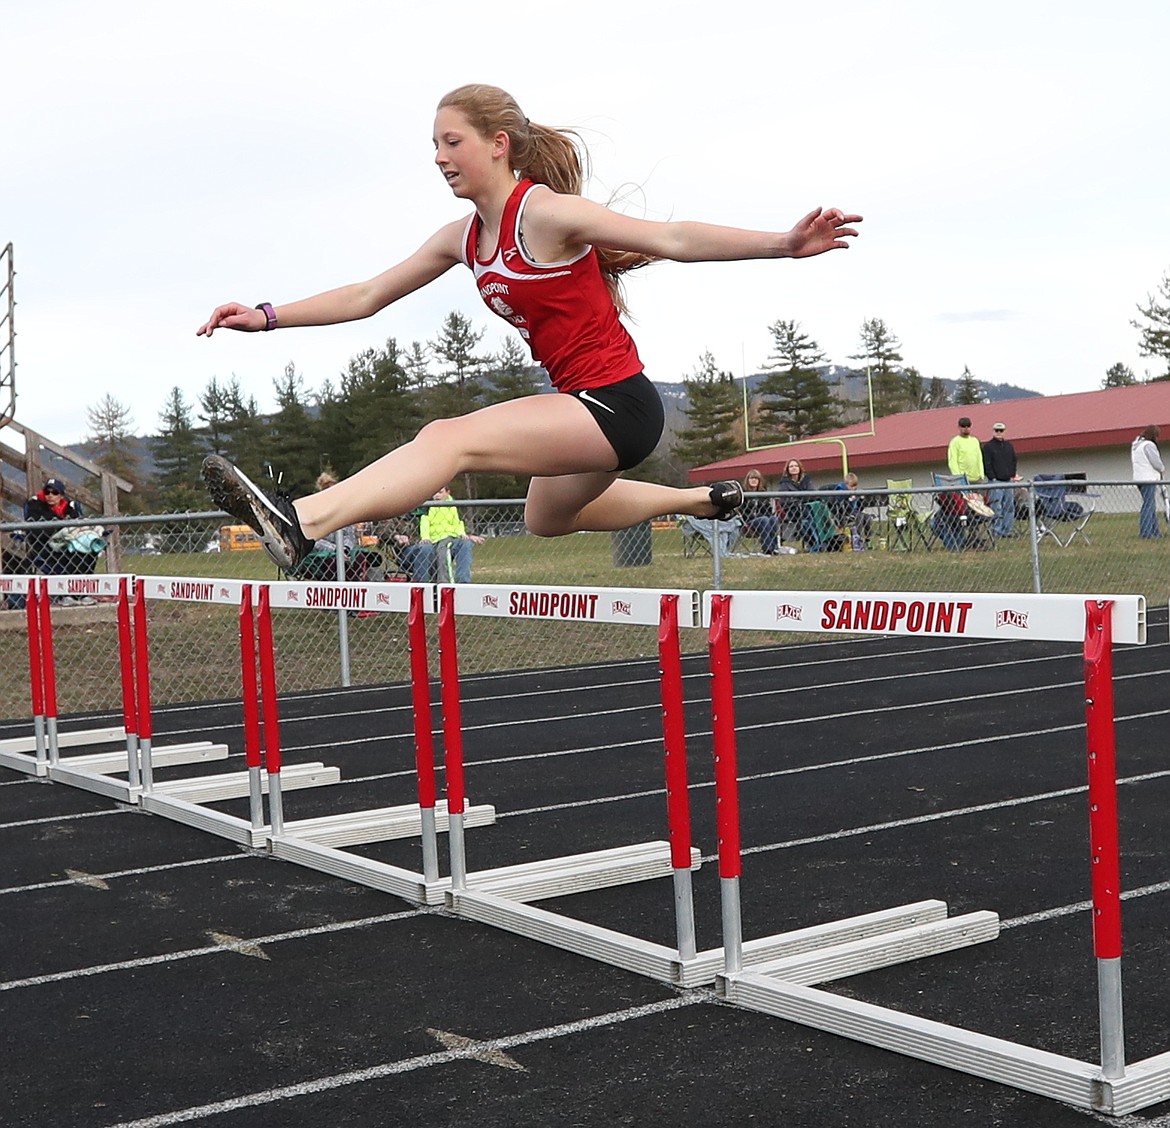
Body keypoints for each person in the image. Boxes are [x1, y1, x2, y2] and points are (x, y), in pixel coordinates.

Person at [195, 83, 862, 572]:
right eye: (433, 145)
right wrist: (267, 316)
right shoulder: (463, 238)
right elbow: (370, 294)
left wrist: (783, 243)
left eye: (451, 142)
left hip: (616, 403)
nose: (438, 157)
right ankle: (692, 502)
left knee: (447, 438)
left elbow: (673, 236)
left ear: (498, 144)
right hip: (589, 413)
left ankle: (304, 520)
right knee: (547, 520)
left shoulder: (543, 214)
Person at [418, 485, 485, 583]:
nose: (437, 496)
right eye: (434, 493)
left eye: (440, 492)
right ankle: (445, 583)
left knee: (466, 544)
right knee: (443, 551)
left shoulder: (453, 505)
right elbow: (424, 523)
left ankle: (463, 581)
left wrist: (462, 533)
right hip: (437, 539)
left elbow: (457, 522)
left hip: (453, 536)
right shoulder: (428, 507)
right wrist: (425, 537)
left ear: (447, 492)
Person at [981, 422, 1019, 538]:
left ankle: (1007, 531)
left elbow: (1013, 460)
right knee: (996, 507)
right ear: (993, 431)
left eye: (1001, 431)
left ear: (1004, 432)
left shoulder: (1009, 446)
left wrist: (1012, 474)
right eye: (996, 430)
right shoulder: (988, 447)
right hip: (995, 481)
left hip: (1008, 481)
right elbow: (987, 463)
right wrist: (992, 477)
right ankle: (996, 531)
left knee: (1009, 507)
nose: (999, 433)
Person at [1131, 424, 1164, 539]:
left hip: (1139, 478)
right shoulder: (1149, 445)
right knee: (1149, 505)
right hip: (1148, 478)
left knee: (1150, 504)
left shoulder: (1136, 446)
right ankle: (1146, 532)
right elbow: (1156, 462)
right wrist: (1162, 469)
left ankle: (1155, 531)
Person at [777, 458, 817, 549]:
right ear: (787, 469)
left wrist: (800, 499)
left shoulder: (806, 480)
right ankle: (814, 545)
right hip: (793, 511)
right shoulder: (784, 484)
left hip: (809, 508)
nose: (794, 468)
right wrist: (801, 500)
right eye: (791, 466)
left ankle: (822, 542)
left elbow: (813, 494)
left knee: (813, 515)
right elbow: (784, 501)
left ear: (800, 468)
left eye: (796, 466)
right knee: (806, 518)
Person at [740, 470, 781, 554]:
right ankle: (768, 549)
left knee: (773, 519)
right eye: (752, 478)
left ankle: (775, 547)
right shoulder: (743, 494)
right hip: (748, 522)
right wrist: (757, 516)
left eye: (756, 478)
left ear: (759, 481)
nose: (754, 480)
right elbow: (743, 512)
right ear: (747, 480)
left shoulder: (763, 494)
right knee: (764, 519)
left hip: (764, 520)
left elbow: (768, 510)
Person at [826, 472, 873, 545]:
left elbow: (859, 508)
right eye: (852, 486)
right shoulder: (840, 492)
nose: (854, 488)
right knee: (859, 517)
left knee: (867, 518)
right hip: (845, 513)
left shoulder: (854, 492)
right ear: (846, 485)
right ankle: (858, 538)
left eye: (855, 486)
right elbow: (840, 506)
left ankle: (868, 537)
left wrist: (861, 500)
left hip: (854, 512)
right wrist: (849, 500)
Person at [946, 417, 985, 483]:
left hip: (977, 479)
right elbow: (953, 461)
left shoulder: (975, 441)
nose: (966, 428)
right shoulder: (955, 442)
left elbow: (979, 458)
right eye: (963, 426)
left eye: (968, 426)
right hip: (963, 480)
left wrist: (981, 475)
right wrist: (958, 477)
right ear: (959, 427)